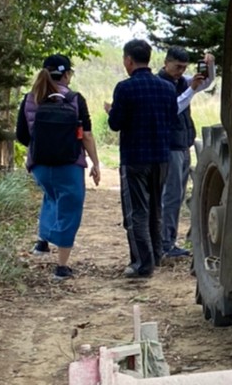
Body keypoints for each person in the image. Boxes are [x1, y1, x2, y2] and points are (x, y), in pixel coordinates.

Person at [15, 54, 100, 280]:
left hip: (40, 165)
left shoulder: (29, 99)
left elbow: (22, 135)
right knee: (70, 208)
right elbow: (87, 136)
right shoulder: (74, 99)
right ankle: (62, 267)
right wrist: (95, 163)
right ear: (65, 74)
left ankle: (42, 242)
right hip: (69, 164)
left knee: (51, 196)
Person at [106, 37, 179, 281]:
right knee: (155, 208)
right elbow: (171, 120)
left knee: (136, 211)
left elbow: (115, 124)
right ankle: (156, 255)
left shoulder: (124, 88)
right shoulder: (167, 88)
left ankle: (141, 263)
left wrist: (111, 111)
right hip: (161, 156)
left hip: (135, 157)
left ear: (129, 60)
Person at [158, 46, 216, 259]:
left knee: (179, 195)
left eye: (184, 67)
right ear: (166, 63)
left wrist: (211, 66)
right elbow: (173, 108)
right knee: (171, 196)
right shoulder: (162, 84)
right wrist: (191, 89)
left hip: (183, 145)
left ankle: (168, 240)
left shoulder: (182, 82)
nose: (181, 71)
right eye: (177, 67)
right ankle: (165, 243)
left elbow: (207, 83)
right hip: (170, 146)